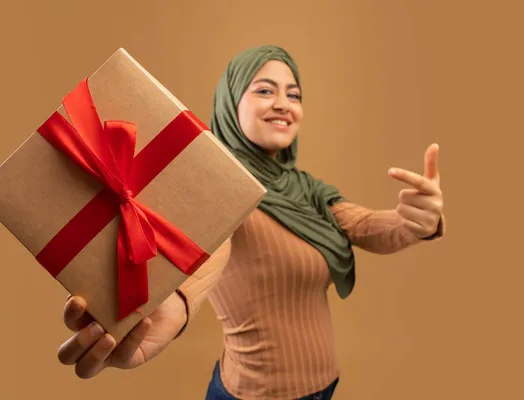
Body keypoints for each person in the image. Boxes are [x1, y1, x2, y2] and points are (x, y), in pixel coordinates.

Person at [55, 45, 445, 399]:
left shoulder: (307, 190)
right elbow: (207, 251)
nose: (283, 104)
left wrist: (412, 221)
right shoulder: (220, 189)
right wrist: (176, 303)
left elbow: (367, 226)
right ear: (230, 102)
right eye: (264, 90)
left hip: (324, 386)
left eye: (294, 94)